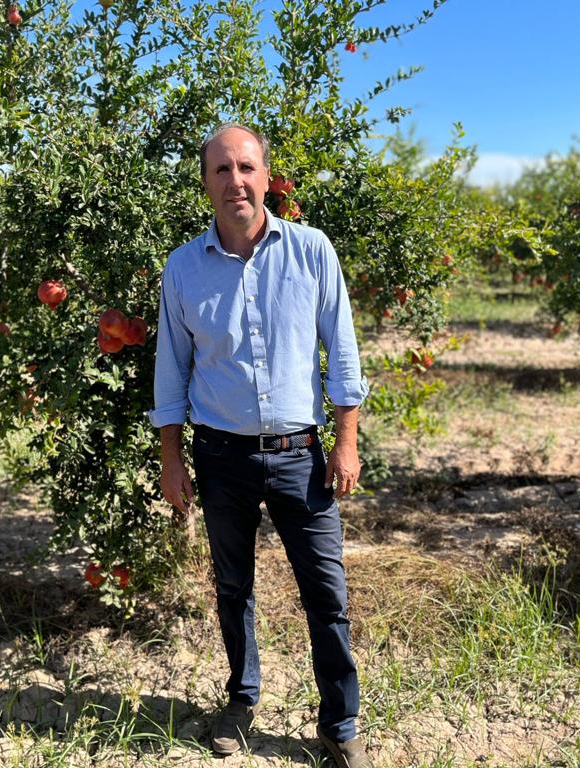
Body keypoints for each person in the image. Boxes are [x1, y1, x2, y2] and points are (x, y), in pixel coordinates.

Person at [146, 123, 372, 768]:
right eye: (221, 170)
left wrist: (345, 441)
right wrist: (172, 456)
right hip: (221, 455)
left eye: (246, 167)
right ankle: (242, 701)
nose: (235, 181)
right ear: (205, 183)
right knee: (232, 586)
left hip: (302, 454)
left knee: (325, 592)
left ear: (268, 178)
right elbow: (173, 368)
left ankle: (339, 722)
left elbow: (343, 352)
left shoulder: (312, 251)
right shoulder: (183, 267)